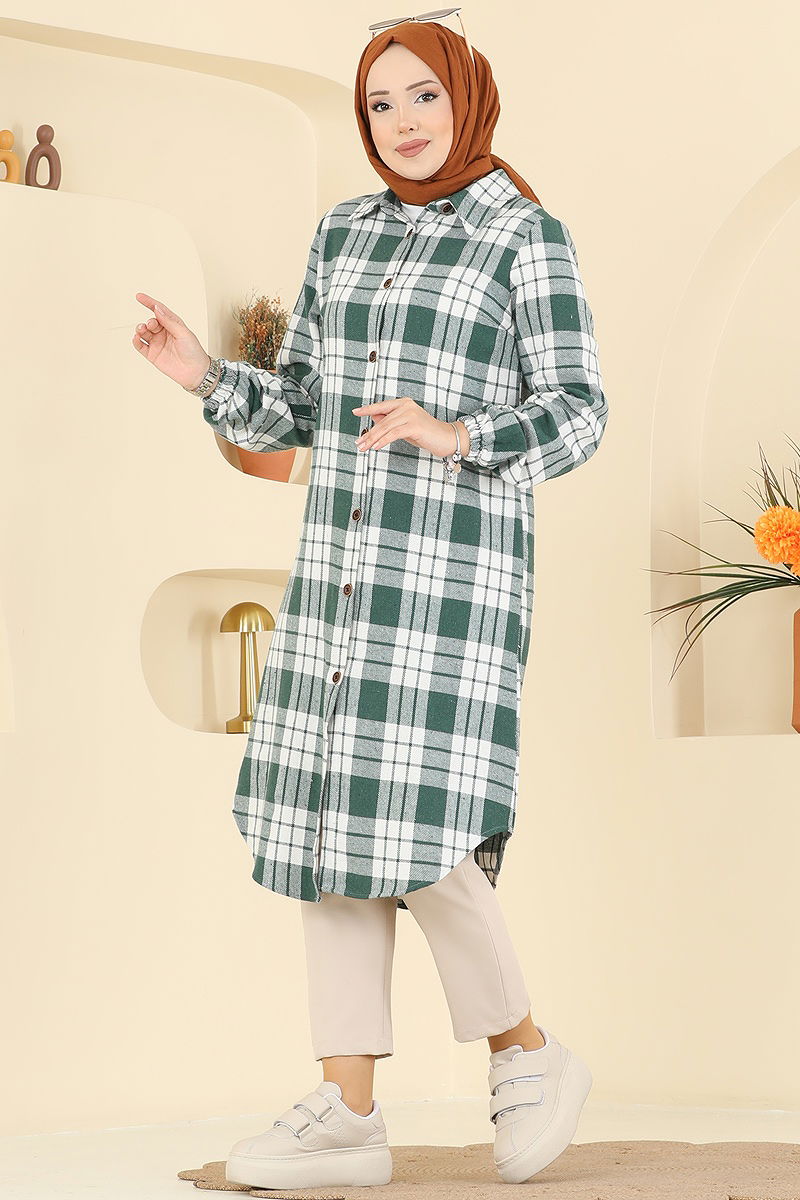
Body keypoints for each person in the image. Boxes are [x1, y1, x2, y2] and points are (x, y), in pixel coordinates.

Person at [132, 16, 607, 1191]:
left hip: (450, 583)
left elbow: (578, 409)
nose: (401, 122)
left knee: (424, 828)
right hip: (339, 580)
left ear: (466, 98)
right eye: (379, 103)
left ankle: (526, 1051)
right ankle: (347, 1109)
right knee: (328, 830)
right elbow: (301, 405)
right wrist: (204, 377)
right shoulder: (341, 233)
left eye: (421, 96)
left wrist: (455, 434)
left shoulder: (522, 235)